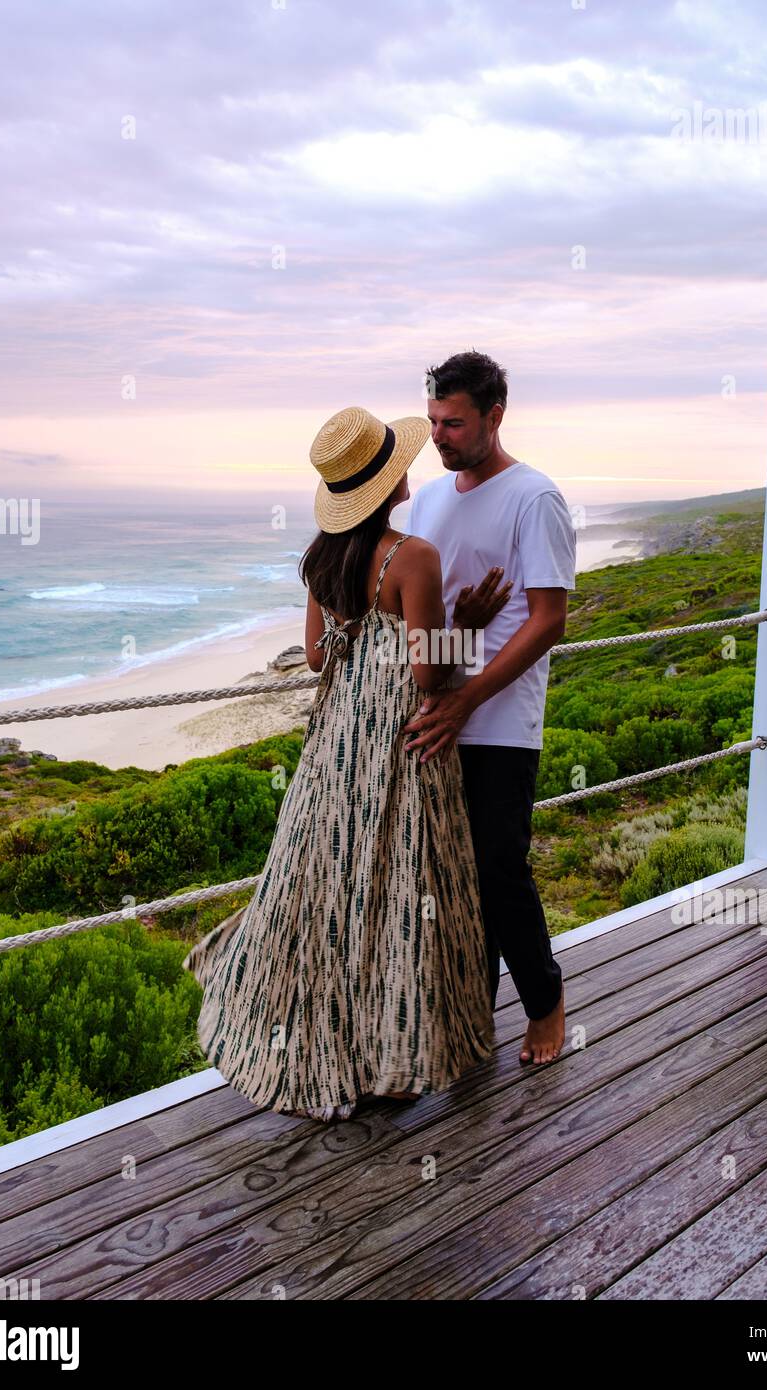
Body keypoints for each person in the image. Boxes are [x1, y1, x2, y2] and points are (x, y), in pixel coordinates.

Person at [183, 405, 512, 1122]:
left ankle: (321, 1038)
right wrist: (471, 627)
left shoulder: (321, 559)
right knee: (397, 890)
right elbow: (430, 675)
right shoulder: (411, 556)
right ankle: (391, 1062)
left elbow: (313, 656)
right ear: (393, 481)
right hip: (400, 739)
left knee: (330, 884)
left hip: (337, 741)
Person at [403, 350, 576, 1065]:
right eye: (434, 422)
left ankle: (547, 1003)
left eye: (454, 423)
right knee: (447, 875)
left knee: (500, 869)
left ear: (494, 417)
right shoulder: (428, 500)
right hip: (434, 709)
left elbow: (548, 618)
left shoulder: (535, 498)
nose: (439, 437)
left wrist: (468, 696)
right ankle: (472, 1017)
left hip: (499, 720)